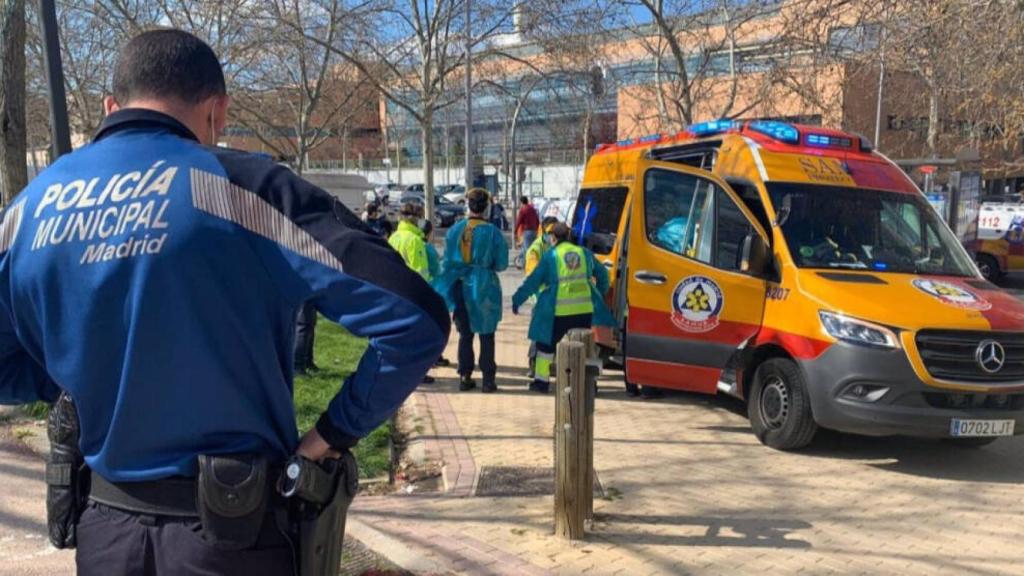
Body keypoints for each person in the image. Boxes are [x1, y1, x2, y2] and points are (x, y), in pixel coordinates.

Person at [0, 29, 449, 575]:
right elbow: (414, 318)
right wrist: (331, 435)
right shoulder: (244, 188)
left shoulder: (28, 211)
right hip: (231, 537)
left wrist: (85, 373)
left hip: (105, 534)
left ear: (109, 107)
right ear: (217, 111)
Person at [511, 223, 614, 393]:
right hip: (583, 310)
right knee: (584, 348)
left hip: (558, 311)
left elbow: (533, 281)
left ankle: (541, 382)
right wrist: (599, 293)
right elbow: (603, 275)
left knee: (545, 347)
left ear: (553, 238)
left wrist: (517, 299)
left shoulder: (551, 256)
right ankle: (589, 385)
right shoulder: (584, 253)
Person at [435, 188, 509, 393]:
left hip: (460, 283)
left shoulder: (455, 230)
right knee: (487, 333)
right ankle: (488, 380)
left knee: (465, 334)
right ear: (486, 207)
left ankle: (465, 376)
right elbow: (502, 263)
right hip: (484, 285)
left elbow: (447, 260)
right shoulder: (493, 232)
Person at [389, 202, 438, 383]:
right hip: (413, 295)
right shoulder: (415, 241)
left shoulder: (394, 237)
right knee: (417, 338)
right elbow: (421, 271)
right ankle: (417, 374)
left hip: (395, 293)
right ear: (416, 219)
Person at [524, 216, 559, 378]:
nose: (552, 235)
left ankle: (544, 367)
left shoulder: (555, 247)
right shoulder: (536, 248)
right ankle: (533, 365)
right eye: (550, 232)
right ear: (543, 231)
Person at [515, 195, 540, 265]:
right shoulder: (533, 209)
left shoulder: (523, 210)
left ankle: (524, 264)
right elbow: (537, 220)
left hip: (527, 231)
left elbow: (518, 221)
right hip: (534, 231)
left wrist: (515, 231)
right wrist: (536, 229)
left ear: (521, 202)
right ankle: (521, 260)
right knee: (530, 248)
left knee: (527, 249)